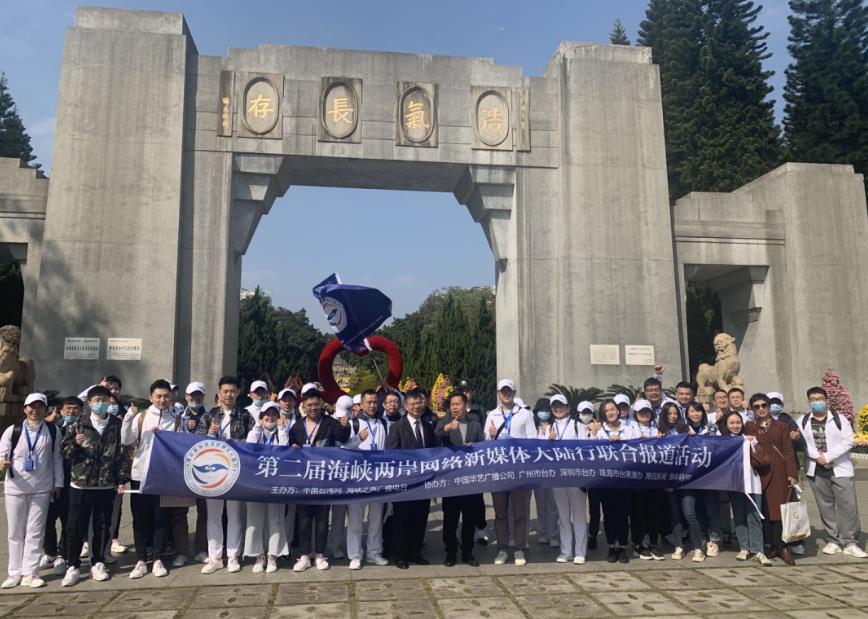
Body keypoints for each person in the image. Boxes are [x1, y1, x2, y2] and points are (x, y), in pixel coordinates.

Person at [60, 385, 128, 586]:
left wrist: (121, 479)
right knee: (75, 526)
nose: (101, 403)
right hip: (81, 484)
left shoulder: (116, 424)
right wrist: (75, 444)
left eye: (104, 400)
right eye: (97, 400)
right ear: (89, 403)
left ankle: (97, 562)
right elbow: (65, 453)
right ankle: (72, 565)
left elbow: (121, 454)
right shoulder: (78, 424)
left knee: (102, 525)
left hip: (105, 484)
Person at [0, 393, 63, 589]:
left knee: (35, 531)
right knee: (15, 531)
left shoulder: (52, 431)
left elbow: (57, 458)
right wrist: (3, 462)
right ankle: (14, 572)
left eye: (39, 407)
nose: (35, 410)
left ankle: (30, 572)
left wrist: (58, 484)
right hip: (15, 487)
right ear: (25, 408)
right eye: (31, 407)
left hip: (41, 487)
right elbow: (3, 454)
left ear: (45, 409)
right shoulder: (13, 430)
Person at [121, 379, 179, 579]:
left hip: (164, 476)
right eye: (158, 396)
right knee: (140, 518)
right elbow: (126, 440)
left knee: (161, 517)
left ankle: (157, 558)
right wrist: (128, 418)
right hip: (140, 474)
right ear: (150, 397)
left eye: (166, 396)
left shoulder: (176, 419)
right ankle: (140, 559)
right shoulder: (142, 417)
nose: (162, 400)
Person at [288, 388, 351, 571]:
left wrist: (345, 426)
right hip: (304, 479)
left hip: (324, 478)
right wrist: (292, 448)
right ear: (304, 406)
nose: (313, 408)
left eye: (316, 404)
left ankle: (320, 555)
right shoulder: (297, 426)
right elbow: (291, 446)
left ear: (321, 404)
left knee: (322, 519)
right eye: (310, 405)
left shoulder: (330, 423)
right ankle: (304, 555)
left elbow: (342, 438)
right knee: (304, 519)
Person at [801, 386, 867, 558]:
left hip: (840, 468)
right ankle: (833, 540)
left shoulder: (839, 419)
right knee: (825, 506)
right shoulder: (803, 420)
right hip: (816, 469)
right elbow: (803, 443)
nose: (817, 402)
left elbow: (848, 441)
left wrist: (829, 457)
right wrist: (819, 457)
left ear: (827, 401)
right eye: (813, 400)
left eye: (820, 399)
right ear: (808, 402)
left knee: (848, 506)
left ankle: (850, 542)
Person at [198, 375, 254, 575]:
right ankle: (214, 557)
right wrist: (209, 433)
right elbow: (196, 443)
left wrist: (242, 443)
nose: (229, 394)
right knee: (213, 515)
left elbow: (255, 442)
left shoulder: (245, 415)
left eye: (232, 391)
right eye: (225, 391)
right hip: (213, 472)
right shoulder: (210, 415)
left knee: (234, 515)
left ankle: (232, 556)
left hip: (236, 472)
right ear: (219, 393)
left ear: (238, 393)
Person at [484, 378, 537, 566]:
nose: (506, 394)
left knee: (519, 512)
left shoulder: (524, 414)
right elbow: (486, 445)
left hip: (518, 471)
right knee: (500, 513)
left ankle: (519, 549)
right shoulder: (491, 415)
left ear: (514, 393)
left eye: (509, 391)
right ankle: (502, 549)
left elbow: (533, 440)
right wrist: (491, 436)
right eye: (502, 391)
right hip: (499, 471)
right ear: (498, 393)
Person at [744, 392, 798, 565]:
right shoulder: (750, 426)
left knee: (780, 510)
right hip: (760, 472)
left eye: (764, 405)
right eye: (757, 406)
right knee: (765, 511)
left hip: (779, 472)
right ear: (752, 409)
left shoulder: (781, 426)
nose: (761, 409)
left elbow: (788, 451)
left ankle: (783, 546)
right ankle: (772, 545)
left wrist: (792, 473)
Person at [385, 388, 435, 569]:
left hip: (423, 482)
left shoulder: (427, 426)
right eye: (412, 403)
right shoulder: (397, 427)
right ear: (405, 406)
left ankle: (415, 552)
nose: (416, 406)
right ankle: (399, 555)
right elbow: (391, 453)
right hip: (404, 482)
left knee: (420, 517)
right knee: (402, 519)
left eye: (419, 403)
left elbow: (433, 451)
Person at [435, 391, 483, 567]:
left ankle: (467, 552)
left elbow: (483, 447)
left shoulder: (475, 424)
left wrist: (475, 447)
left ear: (465, 405)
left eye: (458, 404)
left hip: (470, 480)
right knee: (450, 520)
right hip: (451, 481)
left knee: (469, 519)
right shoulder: (444, 422)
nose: (455, 407)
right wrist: (447, 428)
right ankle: (451, 553)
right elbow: (435, 437)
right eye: (452, 404)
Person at [719, 411, 771, 565]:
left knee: (754, 516)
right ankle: (744, 547)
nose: (735, 426)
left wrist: (752, 443)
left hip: (753, 483)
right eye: (732, 423)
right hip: (735, 484)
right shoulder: (724, 442)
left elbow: (762, 459)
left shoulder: (750, 438)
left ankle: (758, 550)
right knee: (739, 515)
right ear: (726, 425)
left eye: (738, 422)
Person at [344, 390, 389, 569]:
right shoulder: (353, 423)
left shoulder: (382, 422)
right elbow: (344, 449)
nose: (372, 405)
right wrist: (357, 439)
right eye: (369, 402)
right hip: (358, 477)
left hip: (378, 476)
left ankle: (373, 552)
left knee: (376, 518)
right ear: (361, 405)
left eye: (375, 402)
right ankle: (355, 555)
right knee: (356, 518)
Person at [591, 398, 639, 563]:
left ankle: (623, 547)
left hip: (625, 478)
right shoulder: (599, 431)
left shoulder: (629, 429)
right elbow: (591, 452)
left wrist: (622, 443)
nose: (610, 413)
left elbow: (637, 449)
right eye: (606, 410)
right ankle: (612, 546)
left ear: (618, 411)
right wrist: (594, 434)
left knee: (623, 514)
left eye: (612, 409)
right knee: (609, 514)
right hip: (605, 479)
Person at [244, 402, 290, 573]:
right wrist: (257, 427)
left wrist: (282, 429)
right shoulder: (255, 431)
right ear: (261, 416)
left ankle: (273, 556)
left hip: (276, 482)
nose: (269, 418)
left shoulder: (281, 432)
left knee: (276, 519)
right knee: (255, 519)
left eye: (273, 414)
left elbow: (285, 450)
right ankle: (259, 555)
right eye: (266, 414)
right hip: (255, 483)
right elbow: (249, 447)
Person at [40, 396, 81, 577]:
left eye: (75, 408)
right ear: (61, 410)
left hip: (73, 482)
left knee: (68, 521)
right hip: (51, 481)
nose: (71, 412)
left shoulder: (84, 428)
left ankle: (63, 555)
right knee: (47, 519)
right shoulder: (51, 427)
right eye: (68, 408)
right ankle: (50, 553)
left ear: (81, 411)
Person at [546, 394, 588, 564]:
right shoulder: (548, 427)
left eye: (561, 405)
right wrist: (548, 441)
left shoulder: (578, 426)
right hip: (557, 477)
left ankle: (580, 551)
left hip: (576, 476)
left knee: (579, 515)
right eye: (554, 406)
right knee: (563, 516)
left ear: (568, 408)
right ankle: (566, 551)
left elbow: (586, 451)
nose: (558, 409)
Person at [682, 401, 721, 561]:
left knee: (711, 508)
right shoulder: (682, 429)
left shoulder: (712, 428)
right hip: (689, 476)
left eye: (698, 411)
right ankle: (702, 536)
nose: (695, 414)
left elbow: (721, 446)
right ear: (687, 414)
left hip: (709, 475)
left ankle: (714, 539)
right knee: (696, 509)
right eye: (692, 411)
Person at [629, 399, 666, 561]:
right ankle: (638, 544)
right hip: (636, 478)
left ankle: (653, 543)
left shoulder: (657, 429)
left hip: (654, 477)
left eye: (646, 411)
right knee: (638, 512)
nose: (644, 414)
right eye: (641, 412)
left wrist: (660, 440)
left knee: (654, 511)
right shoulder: (630, 429)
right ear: (635, 414)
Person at [656, 402, 689, 559]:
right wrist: (656, 440)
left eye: (675, 413)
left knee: (688, 512)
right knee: (672, 511)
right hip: (666, 478)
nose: (673, 416)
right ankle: (677, 543)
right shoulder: (659, 430)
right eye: (669, 413)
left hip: (685, 476)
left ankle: (693, 541)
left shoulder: (684, 429)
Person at [531, 398, 558, 548]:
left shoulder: (555, 426)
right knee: (540, 504)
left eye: (547, 410)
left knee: (552, 505)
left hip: (553, 471)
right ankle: (543, 533)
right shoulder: (532, 427)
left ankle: (553, 534)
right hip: (537, 472)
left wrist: (555, 439)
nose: (544, 413)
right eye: (541, 410)